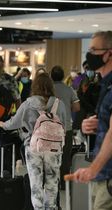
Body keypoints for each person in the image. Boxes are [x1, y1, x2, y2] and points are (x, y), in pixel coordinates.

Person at [0, 73, 67, 210]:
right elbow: (65, 124)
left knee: (36, 183)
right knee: (52, 183)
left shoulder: (28, 104)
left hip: (33, 147)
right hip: (54, 148)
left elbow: (14, 123)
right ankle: (51, 208)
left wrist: (2, 124)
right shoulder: (60, 104)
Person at [72, 31, 112, 210]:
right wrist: (95, 125)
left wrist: (93, 169)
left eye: (95, 50)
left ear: (109, 53)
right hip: (103, 174)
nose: (90, 55)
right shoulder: (104, 84)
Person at [50, 65, 80, 189]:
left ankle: (52, 183)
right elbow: (77, 108)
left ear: (51, 76)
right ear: (63, 76)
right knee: (65, 157)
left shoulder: (48, 89)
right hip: (66, 128)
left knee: (51, 156)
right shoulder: (69, 90)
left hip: (50, 129)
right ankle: (64, 184)